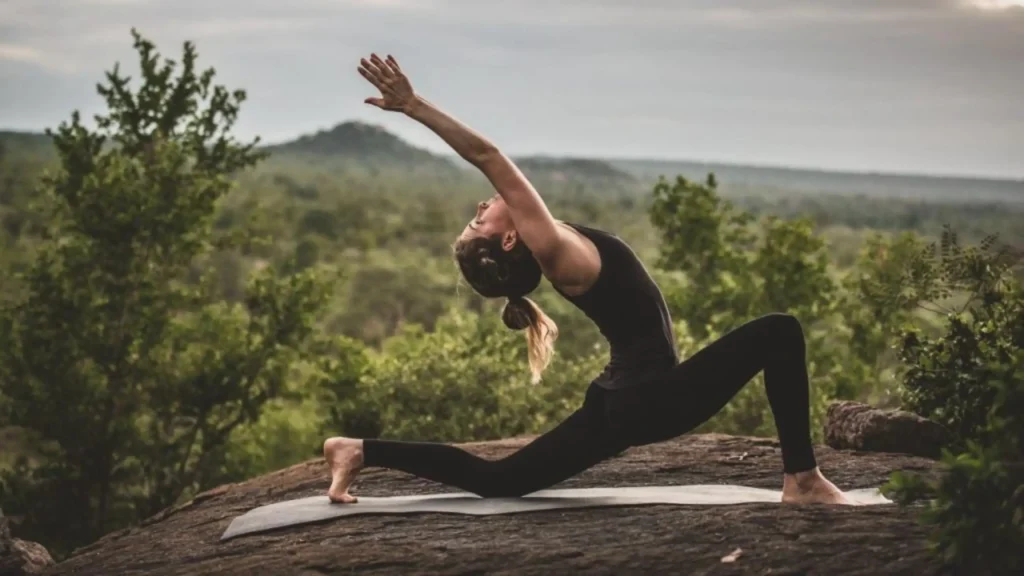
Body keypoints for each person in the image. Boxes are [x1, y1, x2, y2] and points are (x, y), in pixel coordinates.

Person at [322, 53, 856, 506]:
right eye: (479, 219)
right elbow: (487, 155)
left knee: (501, 480)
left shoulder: (553, 243)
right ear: (510, 241)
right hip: (651, 399)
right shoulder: (552, 250)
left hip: (620, 400)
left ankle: (358, 449)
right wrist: (413, 106)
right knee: (779, 331)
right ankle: (802, 479)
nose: (482, 205)